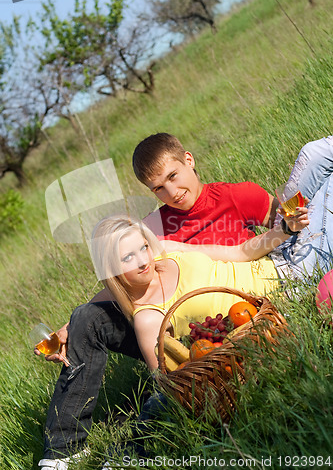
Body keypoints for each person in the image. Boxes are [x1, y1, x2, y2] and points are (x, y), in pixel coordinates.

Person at [37, 133, 333, 469]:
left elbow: (245, 246)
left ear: (188, 161)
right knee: (87, 318)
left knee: (317, 158)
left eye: (172, 178)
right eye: (157, 188)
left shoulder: (222, 208)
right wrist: (68, 329)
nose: (171, 192)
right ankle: (65, 452)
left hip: (269, 273)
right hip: (220, 313)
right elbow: (117, 275)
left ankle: (135, 443)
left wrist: (287, 228)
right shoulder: (153, 231)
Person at [91, 209, 309, 370]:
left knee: (316, 157)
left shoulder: (167, 251)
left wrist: (285, 229)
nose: (142, 261)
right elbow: (170, 381)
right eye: (128, 257)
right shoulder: (148, 318)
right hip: (290, 288)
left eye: (143, 248)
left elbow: (240, 253)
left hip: (281, 256)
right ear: (111, 269)